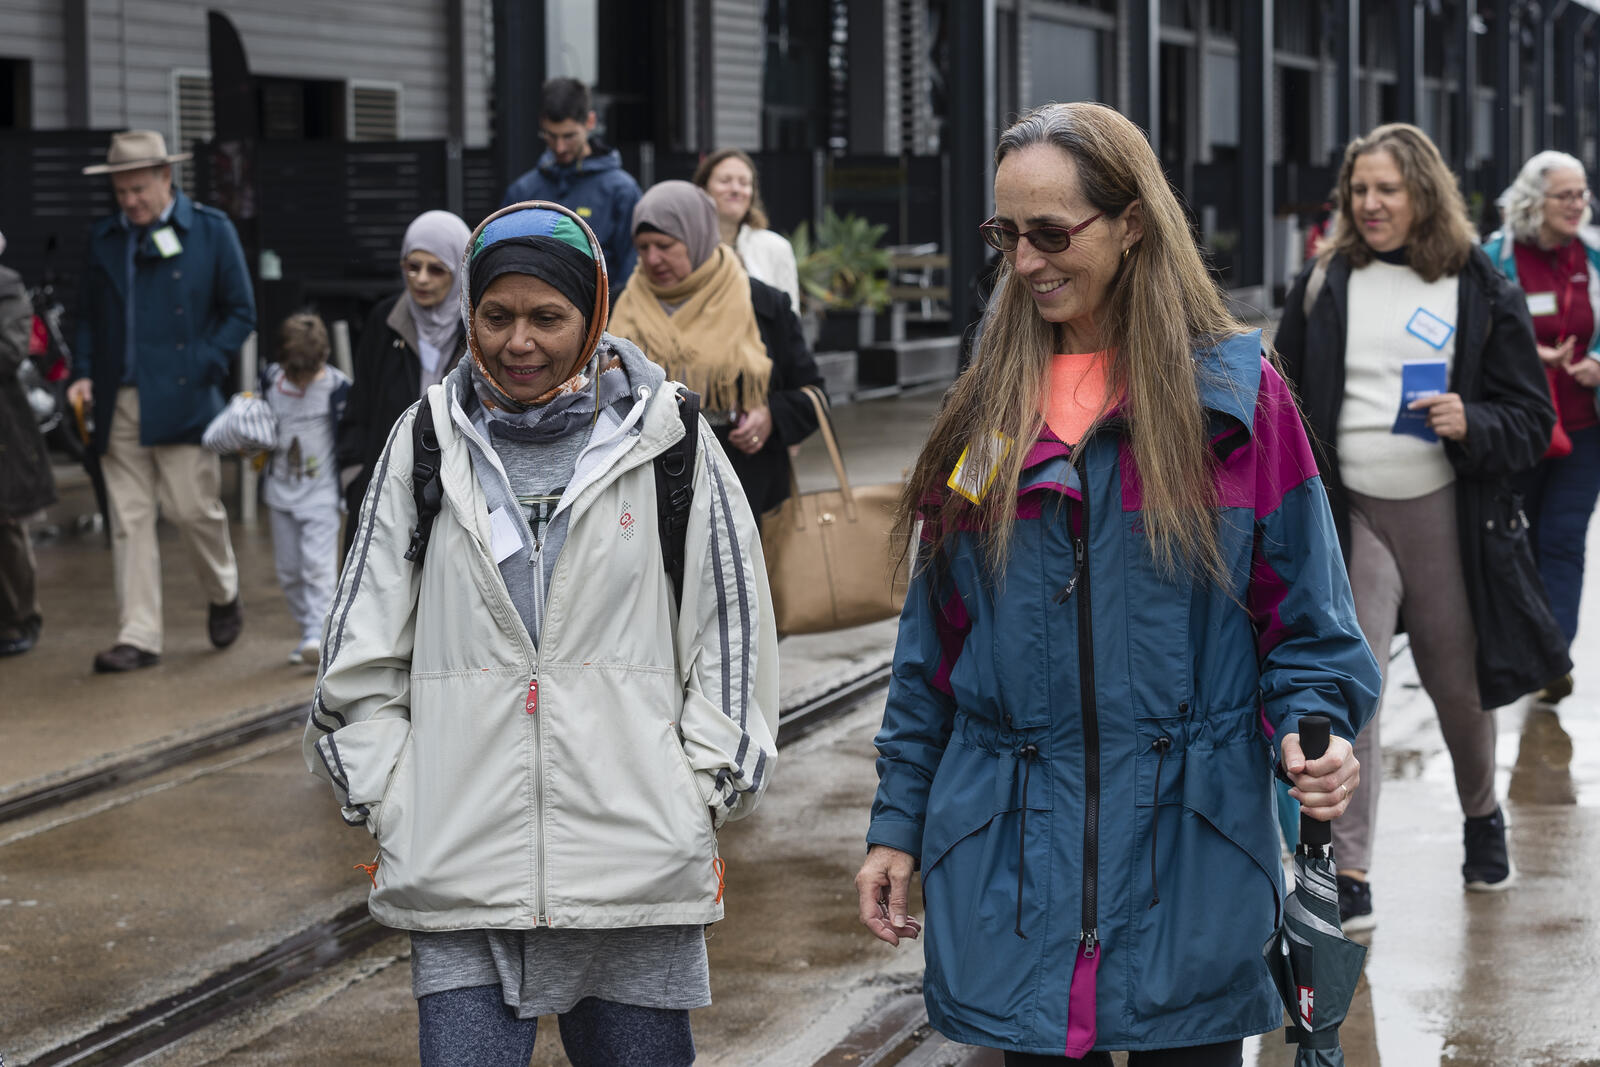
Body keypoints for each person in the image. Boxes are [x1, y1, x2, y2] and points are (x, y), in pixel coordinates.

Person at [853, 102, 1380, 1066]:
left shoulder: (1236, 402)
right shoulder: (984, 410)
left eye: (1052, 233)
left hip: (1196, 862)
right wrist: (897, 822)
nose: (1024, 262)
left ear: (1131, 222)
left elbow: (1308, 621)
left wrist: (1320, 727)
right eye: (1005, 234)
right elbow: (936, 645)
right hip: (1011, 874)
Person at [305, 201, 778, 1066]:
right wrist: (393, 798)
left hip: (633, 870)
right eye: (497, 316)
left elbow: (732, 632)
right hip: (460, 865)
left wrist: (694, 793)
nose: (518, 342)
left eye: (547, 317)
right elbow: (358, 649)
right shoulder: (423, 444)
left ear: (592, 315)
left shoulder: (668, 441)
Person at [1276, 123, 1567, 934]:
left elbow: (1532, 419)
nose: (1370, 204)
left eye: (1387, 189)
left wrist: (1469, 418)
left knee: (1459, 685)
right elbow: (1286, 405)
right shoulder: (1325, 281)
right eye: (1359, 190)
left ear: (1423, 194)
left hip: (1446, 511)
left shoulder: (1477, 282)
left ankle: (1483, 816)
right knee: (1351, 691)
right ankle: (1352, 866)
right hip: (1353, 513)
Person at [65, 130, 255, 673]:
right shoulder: (104, 237)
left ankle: (223, 592)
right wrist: (81, 374)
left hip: (182, 396)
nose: (130, 201)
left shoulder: (210, 230)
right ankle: (139, 635)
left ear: (166, 179)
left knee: (193, 510)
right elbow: (87, 318)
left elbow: (240, 312)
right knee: (129, 519)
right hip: (116, 400)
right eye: (121, 191)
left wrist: (200, 365)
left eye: (139, 189)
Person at [609, 180, 824, 514]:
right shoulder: (620, 305)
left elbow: (813, 393)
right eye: (643, 247)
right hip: (645, 496)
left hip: (742, 490)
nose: (652, 259)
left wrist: (770, 417)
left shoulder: (762, 303)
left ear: (697, 237)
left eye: (665, 245)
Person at [1483, 151, 1600, 704]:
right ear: (1535, 200)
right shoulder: (1494, 257)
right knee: (1519, 541)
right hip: (1521, 426)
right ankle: (1528, 644)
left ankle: (1554, 654)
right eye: (1565, 195)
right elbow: (1474, 332)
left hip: (1584, 428)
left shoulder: (1594, 254)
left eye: (1581, 194)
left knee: (1564, 538)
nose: (1578, 205)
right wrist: (1526, 355)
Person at [336, 209, 470, 551]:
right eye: (412, 266)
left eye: (437, 269)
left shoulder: (479, 328)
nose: (421, 279)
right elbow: (360, 404)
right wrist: (354, 479)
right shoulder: (386, 320)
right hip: (383, 491)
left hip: (456, 496)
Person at [262, 313, 350, 667]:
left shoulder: (337, 387)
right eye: (292, 373)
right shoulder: (271, 381)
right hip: (280, 492)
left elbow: (350, 434)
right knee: (288, 570)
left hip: (322, 494)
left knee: (317, 567)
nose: (299, 381)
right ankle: (306, 628)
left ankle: (319, 632)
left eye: (306, 373)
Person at [500, 77, 643, 289]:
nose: (559, 147)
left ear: (590, 122)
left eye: (569, 136)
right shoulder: (522, 191)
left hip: (603, 318)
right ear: (541, 125)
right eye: (551, 136)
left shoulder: (622, 191)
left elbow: (631, 273)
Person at [0, 229, 57, 656]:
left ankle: (22, 617)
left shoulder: (7, 286)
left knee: (7, 525)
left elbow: (9, 350)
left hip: (5, 430)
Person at [692, 148, 802, 314]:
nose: (735, 189)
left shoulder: (777, 248)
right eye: (725, 181)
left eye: (744, 183)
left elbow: (791, 319)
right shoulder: (685, 245)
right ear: (703, 188)